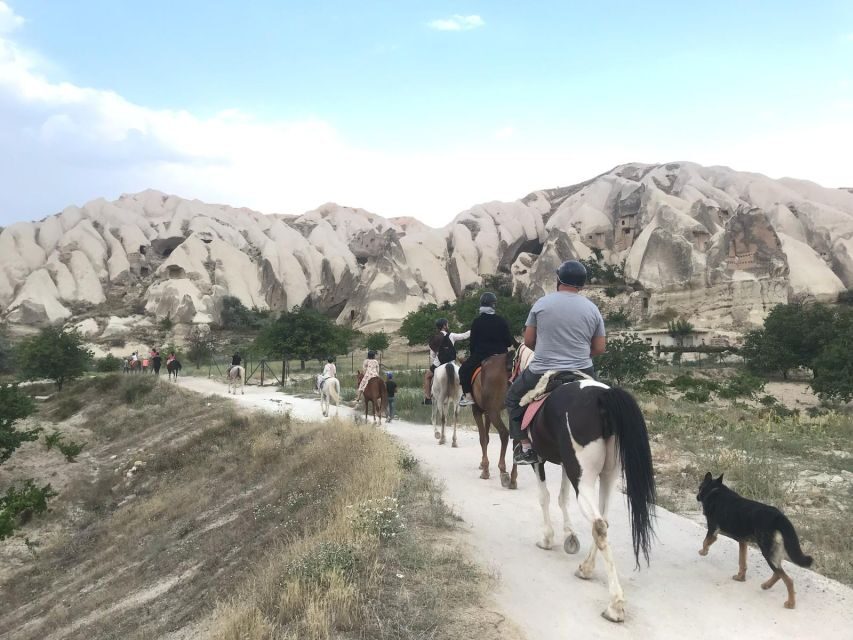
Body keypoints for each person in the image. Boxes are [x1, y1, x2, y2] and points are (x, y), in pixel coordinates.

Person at [505, 260, 606, 465]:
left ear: (558, 280)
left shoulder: (541, 304)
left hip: (543, 369)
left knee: (513, 398)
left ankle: (525, 448)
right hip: (582, 369)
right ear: (582, 284)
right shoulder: (592, 309)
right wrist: (577, 355)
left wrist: (549, 352)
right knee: (605, 402)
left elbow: (528, 341)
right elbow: (599, 348)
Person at [459, 292, 516, 406]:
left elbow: (472, 343)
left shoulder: (477, 322)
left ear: (481, 305)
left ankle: (468, 396)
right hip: (501, 356)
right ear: (493, 305)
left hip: (482, 355)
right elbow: (509, 342)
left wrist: (473, 355)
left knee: (463, 370)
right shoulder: (501, 320)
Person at [423, 318, 470, 405]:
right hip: (451, 362)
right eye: (447, 324)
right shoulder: (451, 335)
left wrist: (435, 362)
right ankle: (463, 395)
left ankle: (428, 398)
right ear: (444, 326)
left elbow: (432, 355)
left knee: (427, 376)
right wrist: (473, 330)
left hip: (438, 363)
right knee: (463, 375)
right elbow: (464, 335)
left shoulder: (434, 338)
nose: (448, 325)